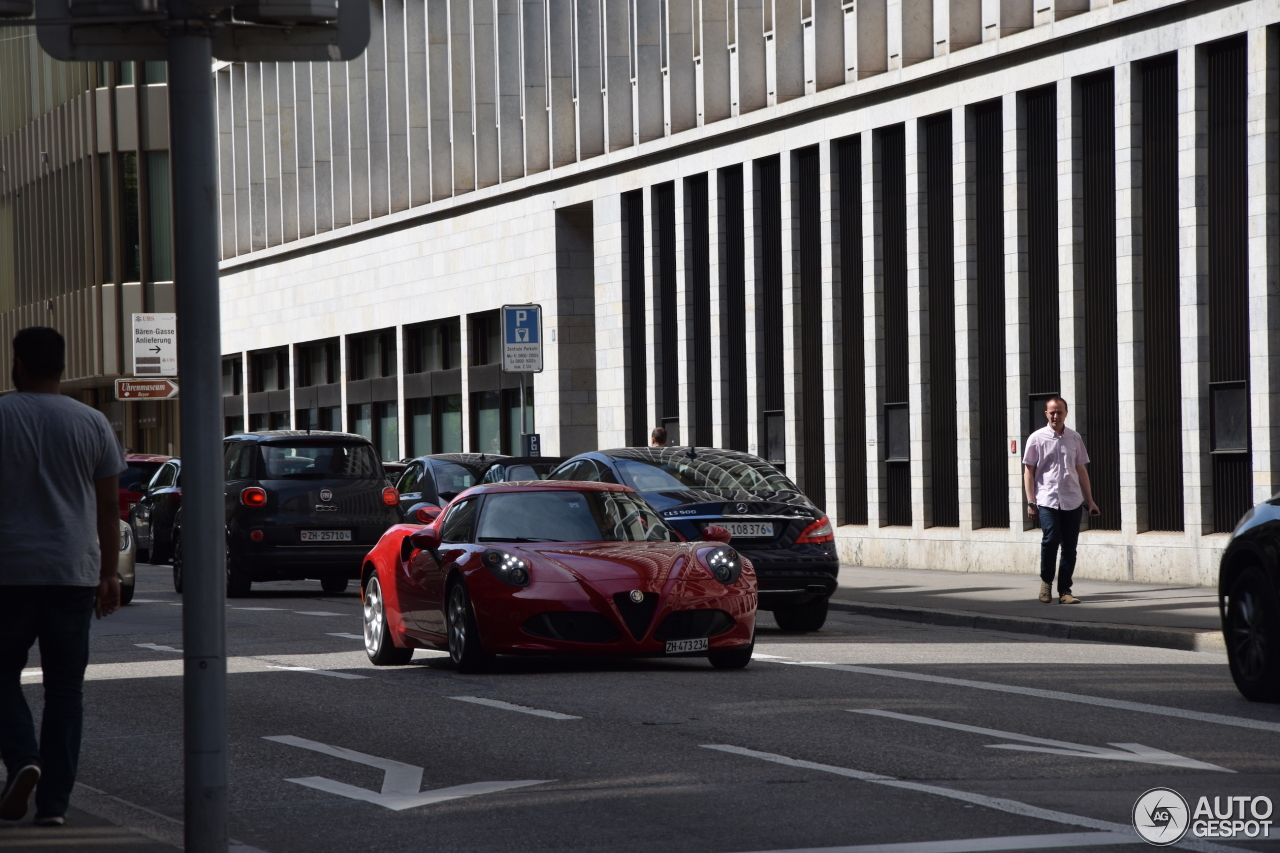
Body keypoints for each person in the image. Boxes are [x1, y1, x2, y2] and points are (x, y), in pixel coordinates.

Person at [0, 327, 126, 827]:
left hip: (8, 572)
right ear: (61, 366)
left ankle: (22, 757)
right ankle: (53, 806)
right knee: (65, 690)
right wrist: (109, 575)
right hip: (73, 573)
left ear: (19, 364)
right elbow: (107, 508)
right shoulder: (93, 423)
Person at [1022, 397, 1099, 605]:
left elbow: (1081, 470)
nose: (1056, 416)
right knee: (1051, 539)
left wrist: (1090, 500)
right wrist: (1031, 502)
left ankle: (1065, 591)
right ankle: (1046, 583)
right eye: (1052, 412)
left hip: (1072, 499)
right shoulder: (1037, 438)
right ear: (1046, 414)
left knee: (1070, 546)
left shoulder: (1074, 438)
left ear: (1066, 413)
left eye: (1060, 412)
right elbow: (1029, 471)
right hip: (1046, 499)